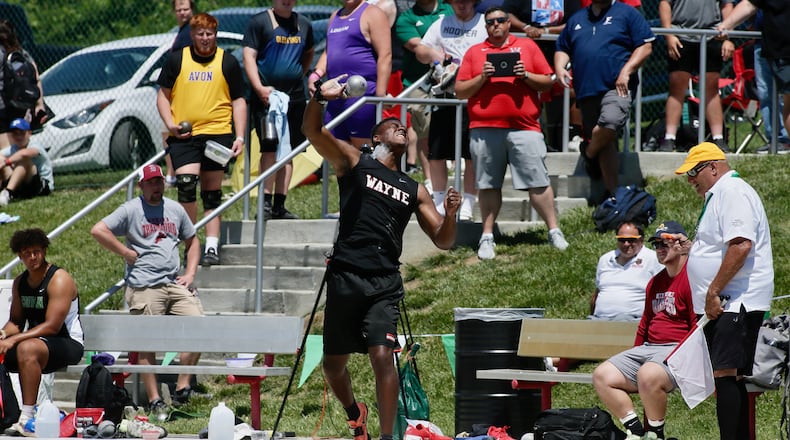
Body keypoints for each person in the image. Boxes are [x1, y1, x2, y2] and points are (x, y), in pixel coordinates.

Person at [302, 76, 460, 440]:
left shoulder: (413, 188)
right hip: (345, 275)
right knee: (332, 365)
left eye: (404, 128)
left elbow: (443, 241)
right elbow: (312, 131)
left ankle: (387, 437)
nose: (401, 129)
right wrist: (317, 98)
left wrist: (450, 214)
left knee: (382, 356)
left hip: (384, 282)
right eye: (392, 126)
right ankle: (355, 414)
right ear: (376, 139)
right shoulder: (354, 162)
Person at [673, 142, 773, 440]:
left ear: (713, 167)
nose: (690, 180)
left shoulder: (733, 192)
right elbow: (724, 242)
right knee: (729, 378)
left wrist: (713, 291)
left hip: (734, 302)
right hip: (727, 302)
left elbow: (741, 245)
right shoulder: (720, 195)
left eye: (693, 172)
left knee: (726, 375)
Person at [454, 7, 569, 259]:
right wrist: (482, 77)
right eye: (490, 22)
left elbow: (549, 80)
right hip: (484, 130)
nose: (495, 25)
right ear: (486, 27)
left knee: (538, 182)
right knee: (487, 184)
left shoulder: (527, 47)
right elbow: (460, 91)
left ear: (509, 23)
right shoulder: (475, 53)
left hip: (525, 127)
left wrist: (525, 75)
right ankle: (486, 235)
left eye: (500, 20)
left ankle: (554, 231)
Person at [91, 164, 203, 415]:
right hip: (143, 285)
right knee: (146, 339)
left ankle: (183, 387)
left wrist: (190, 273)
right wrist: (125, 252)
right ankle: (155, 399)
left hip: (174, 283)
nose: (156, 186)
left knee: (199, 326)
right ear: (141, 185)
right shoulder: (131, 209)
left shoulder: (175, 209)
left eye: (159, 181)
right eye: (151, 182)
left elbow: (193, 239)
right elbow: (98, 230)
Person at [157, 13, 246, 266]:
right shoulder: (177, 60)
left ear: (215, 35)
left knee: (211, 192)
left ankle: (212, 246)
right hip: (185, 135)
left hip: (218, 133)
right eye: (200, 34)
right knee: (186, 184)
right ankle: (190, 242)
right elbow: (162, 96)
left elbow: (239, 100)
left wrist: (239, 136)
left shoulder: (227, 62)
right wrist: (170, 125)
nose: (205, 39)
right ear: (192, 35)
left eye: (210, 34)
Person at [593, 221, 696, 440]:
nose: (659, 249)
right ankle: (636, 431)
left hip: (678, 349)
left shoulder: (692, 279)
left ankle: (655, 434)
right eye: (657, 244)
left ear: (680, 245)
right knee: (602, 375)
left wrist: (684, 356)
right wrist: (636, 353)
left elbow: (696, 326)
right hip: (649, 349)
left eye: (665, 243)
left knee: (647, 374)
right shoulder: (655, 282)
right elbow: (645, 323)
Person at [554, 0, 654, 197]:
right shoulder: (577, 19)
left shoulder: (627, 14)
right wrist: (559, 67)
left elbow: (645, 46)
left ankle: (589, 153)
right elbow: (562, 47)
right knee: (605, 141)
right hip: (586, 88)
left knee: (610, 122)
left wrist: (626, 71)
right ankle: (612, 194)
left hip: (617, 86)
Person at [1, 228, 83, 436]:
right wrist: (3, 334)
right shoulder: (20, 282)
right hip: (36, 344)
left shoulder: (59, 279)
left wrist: (15, 339)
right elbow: (16, 322)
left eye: (36, 251)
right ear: (20, 256)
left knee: (27, 348)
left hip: (67, 343)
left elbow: (52, 326)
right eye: (26, 253)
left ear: (44, 251)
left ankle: (27, 417)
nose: (32, 257)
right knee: (21, 348)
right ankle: (8, 415)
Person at [414, 0, 487, 220]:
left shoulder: (484, 23)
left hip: (474, 96)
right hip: (445, 95)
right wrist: (436, 57)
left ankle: (468, 204)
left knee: (470, 154)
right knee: (436, 151)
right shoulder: (440, 23)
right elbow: (421, 50)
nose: (461, 5)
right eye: (456, 2)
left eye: (465, 1)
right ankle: (438, 202)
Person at [243, 0, 314, 220]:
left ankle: (279, 205)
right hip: (268, 98)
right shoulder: (260, 22)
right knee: (270, 147)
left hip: (294, 97)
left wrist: (298, 75)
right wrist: (259, 88)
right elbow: (249, 57)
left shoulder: (303, 24)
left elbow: (309, 53)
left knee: (289, 150)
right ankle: (264, 203)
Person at [308, 0, 392, 149]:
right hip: (336, 94)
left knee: (364, 151)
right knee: (338, 152)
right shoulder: (335, 16)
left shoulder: (373, 13)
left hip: (361, 93)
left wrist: (380, 94)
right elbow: (329, 52)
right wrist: (315, 75)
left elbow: (385, 55)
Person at [502, 0, 585, 152]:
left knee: (570, 90)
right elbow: (506, 13)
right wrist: (525, 27)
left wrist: (547, 31)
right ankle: (536, 136)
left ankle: (574, 136)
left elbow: (576, 20)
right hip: (530, 52)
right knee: (534, 94)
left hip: (560, 51)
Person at [657, 0, 734, 153]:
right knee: (677, 88)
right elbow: (665, 3)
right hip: (680, 35)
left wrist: (727, 37)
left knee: (711, 89)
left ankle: (718, 137)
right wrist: (669, 35)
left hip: (712, 35)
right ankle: (669, 138)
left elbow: (727, 5)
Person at [718, 0, 790, 157]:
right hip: (766, 45)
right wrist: (726, 26)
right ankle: (778, 139)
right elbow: (749, 4)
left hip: (783, 49)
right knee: (767, 95)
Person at [395, 0, 453, 190]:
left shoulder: (450, 9)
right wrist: (445, 57)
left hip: (453, 80)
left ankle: (454, 165)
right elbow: (417, 46)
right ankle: (430, 179)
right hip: (418, 83)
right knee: (425, 131)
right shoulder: (406, 18)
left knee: (454, 125)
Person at [591, 222, 663, 321]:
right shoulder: (605, 259)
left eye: (631, 240)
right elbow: (597, 291)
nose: (626, 244)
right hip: (599, 318)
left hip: (633, 320)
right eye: (622, 240)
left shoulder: (653, 259)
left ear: (641, 240)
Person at [163, 0, 198, 186]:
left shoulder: (191, 32)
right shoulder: (182, 31)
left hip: (187, 91)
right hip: (177, 90)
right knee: (169, 132)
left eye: (186, 9)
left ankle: (178, 174)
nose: (182, 13)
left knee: (176, 133)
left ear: (192, 9)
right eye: (179, 10)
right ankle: (174, 173)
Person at [0, 20, 47, 149]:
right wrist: (39, 104)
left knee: (5, 152)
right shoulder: (20, 53)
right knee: (19, 148)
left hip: (2, 108)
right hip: (21, 105)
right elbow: (36, 78)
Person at [0, 118, 54, 207]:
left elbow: (24, 154)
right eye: (15, 134)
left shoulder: (35, 145)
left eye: (22, 133)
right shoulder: (14, 148)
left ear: (29, 133)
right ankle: (4, 194)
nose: (18, 137)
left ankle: (7, 193)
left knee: (24, 161)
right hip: (23, 187)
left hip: (41, 187)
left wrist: (6, 162)